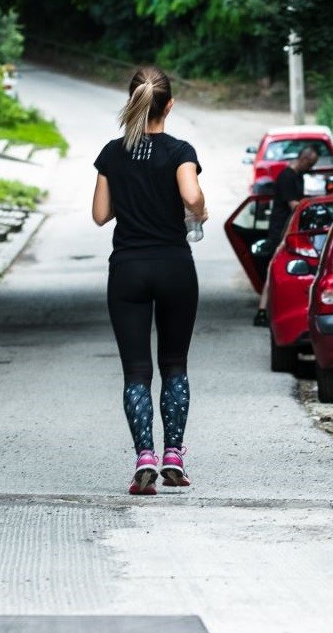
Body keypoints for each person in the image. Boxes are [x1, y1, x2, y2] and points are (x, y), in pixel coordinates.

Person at [91, 67, 209, 495]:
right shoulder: (180, 151)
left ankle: (144, 458)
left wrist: (131, 194)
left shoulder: (112, 153)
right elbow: (191, 195)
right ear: (169, 105)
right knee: (174, 364)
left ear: (134, 101)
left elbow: (100, 214)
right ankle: (173, 455)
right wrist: (199, 208)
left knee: (137, 371)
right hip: (175, 267)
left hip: (128, 271)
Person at [265, 146, 319, 253]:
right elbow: (294, 205)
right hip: (281, 228)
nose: (310, 168)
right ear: (303, 159)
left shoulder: (298, 176)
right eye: (310, 164)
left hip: (290, 226)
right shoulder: (286, 177)